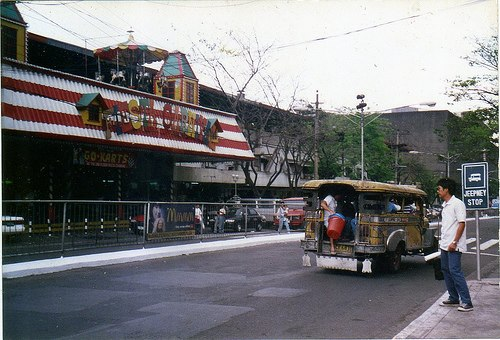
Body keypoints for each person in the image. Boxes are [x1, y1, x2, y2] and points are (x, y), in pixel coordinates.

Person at [437, 178, 473, 312]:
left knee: (455, 271)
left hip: (454, 245)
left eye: (439, 189)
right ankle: (453, 297)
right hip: (445, 244)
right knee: (445, 270)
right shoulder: (445, 205)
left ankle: (467, 302)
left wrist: (454, 242)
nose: (438, 191)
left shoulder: (457, 204)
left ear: (446, 189)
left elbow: (461, 223)